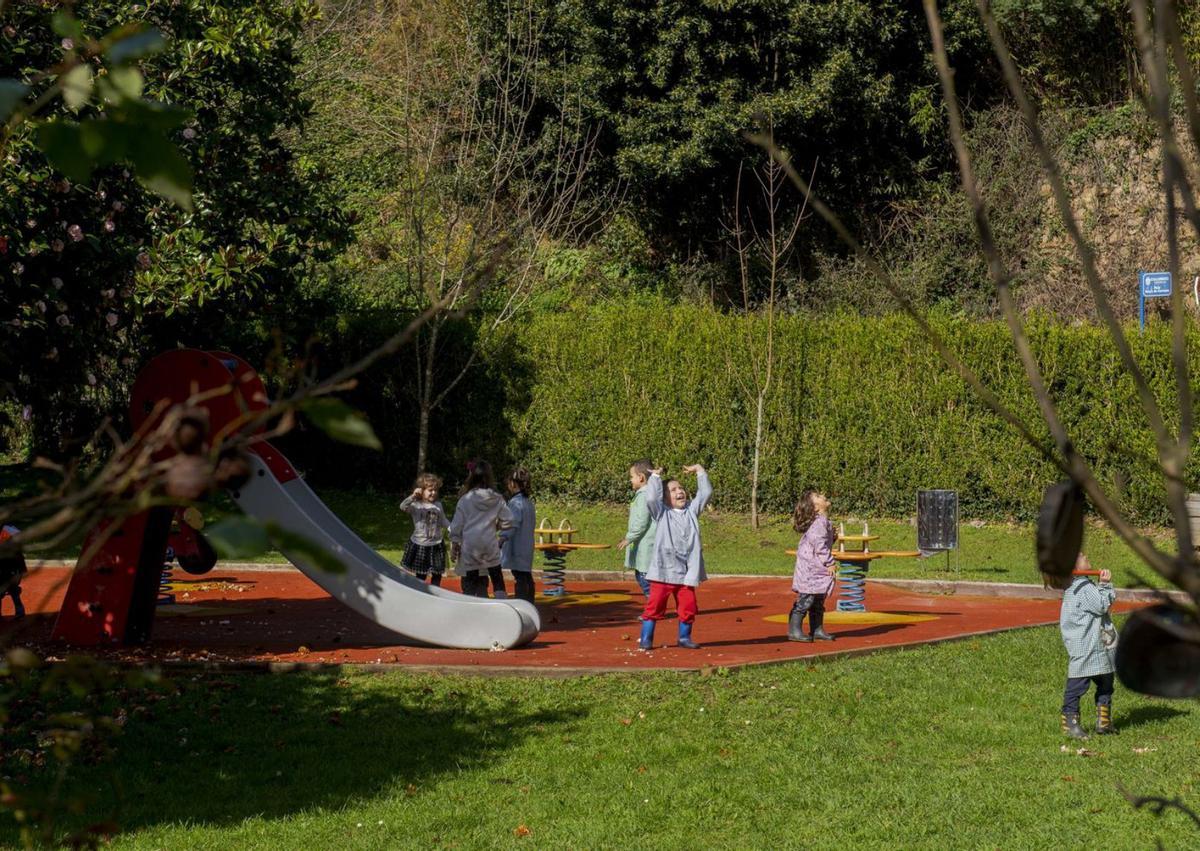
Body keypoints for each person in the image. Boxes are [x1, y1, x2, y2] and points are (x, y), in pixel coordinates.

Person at [1042, 553, 1118, 739]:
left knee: (1106, 682)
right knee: (1076, 688)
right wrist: (1105, 584)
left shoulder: (1076, 586)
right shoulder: (1083, 586)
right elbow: (1101, 605)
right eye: (1080, 556)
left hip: (1094, 647)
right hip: (1089, 649)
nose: (1085, 555)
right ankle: (1070, 723)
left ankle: (1104, 722)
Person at [638, 464, 712, 650]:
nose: (680, 492)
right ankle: (646, 639)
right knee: (654, 607)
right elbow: (652, 498)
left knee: (688, 607)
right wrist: (655, 478)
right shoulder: (662, 513)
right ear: (665, 497)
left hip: (686, 574)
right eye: (673, 490)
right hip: (663, 572)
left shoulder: (691, 511)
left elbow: (705, 493)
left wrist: (700, 472)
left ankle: (684, 638)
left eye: (681, 488)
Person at [449, 460, 513, 599]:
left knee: (470, 579)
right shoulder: (497, 498)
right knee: (497, 578)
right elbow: (508, 520)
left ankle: (469, 606)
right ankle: (502, 604)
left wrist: (455, 542)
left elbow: (456, 526)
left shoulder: (465, 499)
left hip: (471, 546)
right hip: (489, 544)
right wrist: (497, 526)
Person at [788, 490, 836, 642]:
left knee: (818, 599)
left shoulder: (823, 521)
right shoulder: (819, 523)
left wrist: (833, 537)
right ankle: (794, 630)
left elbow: (822, 543)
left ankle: (817, 629)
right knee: (806, 598)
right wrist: (830, 562)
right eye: (817, 496)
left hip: (816, 567)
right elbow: (819, 546)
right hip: (811, 568)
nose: (823, 495)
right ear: (815, 507)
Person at [399, 473, 450, 586]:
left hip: (436, 545)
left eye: (435, 490)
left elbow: (443, 520)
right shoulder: (416, 505)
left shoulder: (438, 505)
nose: (433, 492)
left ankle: (436, 592)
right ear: (421, 490)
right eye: (430, 490)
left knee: (437, 573)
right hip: (421, 545)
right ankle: (421, 592)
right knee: (421, 575)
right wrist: (413, 496)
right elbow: (402, 506)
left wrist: (451, 528)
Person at [617, 458, 657, 597]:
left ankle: (654, 609)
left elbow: (642, 521)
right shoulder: (644, 494)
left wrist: (629, 538)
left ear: (641, 478)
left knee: (645, 579)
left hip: (646, 546)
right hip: (642, 545)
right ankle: (654, 607)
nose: (630, 480)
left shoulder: (644, 495)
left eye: (631, 477)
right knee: (640, 576)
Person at [500, 467, 536, 603]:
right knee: (526, 575)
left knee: (520, 577)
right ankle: (530, 602)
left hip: (518, 547)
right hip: (527, 545)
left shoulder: (515, 503)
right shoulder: (528, 503)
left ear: (513, 484)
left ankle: (522, 603)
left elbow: (512, 524)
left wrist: (502, 538)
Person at [0, 524, 27, 620]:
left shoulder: (9, 534)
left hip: (11, 571)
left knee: (14, 591)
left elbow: (20, 562)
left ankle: (20, 612)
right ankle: (20, 612)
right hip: (5, 571)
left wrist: (18, 574)